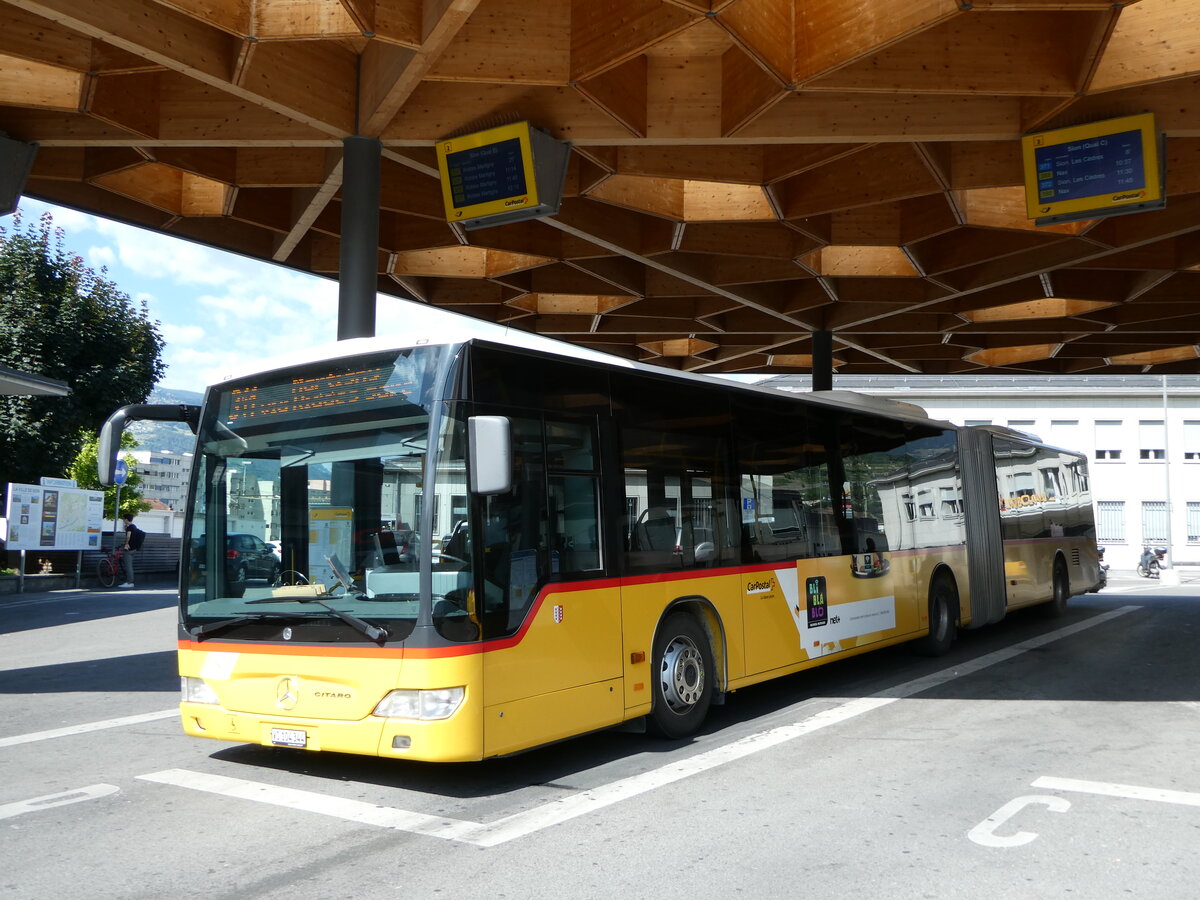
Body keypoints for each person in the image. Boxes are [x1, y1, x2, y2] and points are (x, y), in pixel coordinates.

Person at [119, 513, 145, 588]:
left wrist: (126, 544)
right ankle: (130, 581)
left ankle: (129, 582)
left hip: (129, 549)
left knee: (128, 566)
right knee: (129, 565)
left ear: (126, 519)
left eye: (124, 519)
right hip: (134, 549)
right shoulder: (134, 527)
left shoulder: (129, 528)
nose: (123, 520)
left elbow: (128, 537)